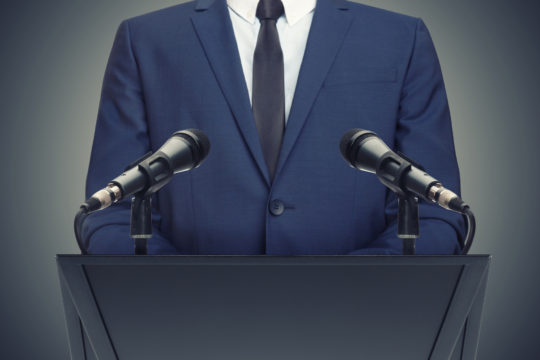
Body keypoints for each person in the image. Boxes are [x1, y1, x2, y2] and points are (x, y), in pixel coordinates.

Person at [82, 0, 465, 255]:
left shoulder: (399, 39)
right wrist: (186, 290)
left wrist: (352, 290)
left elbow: (437, 212)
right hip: (189, 330)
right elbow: (110, 212)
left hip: (357, 328)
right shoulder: (146, 40)